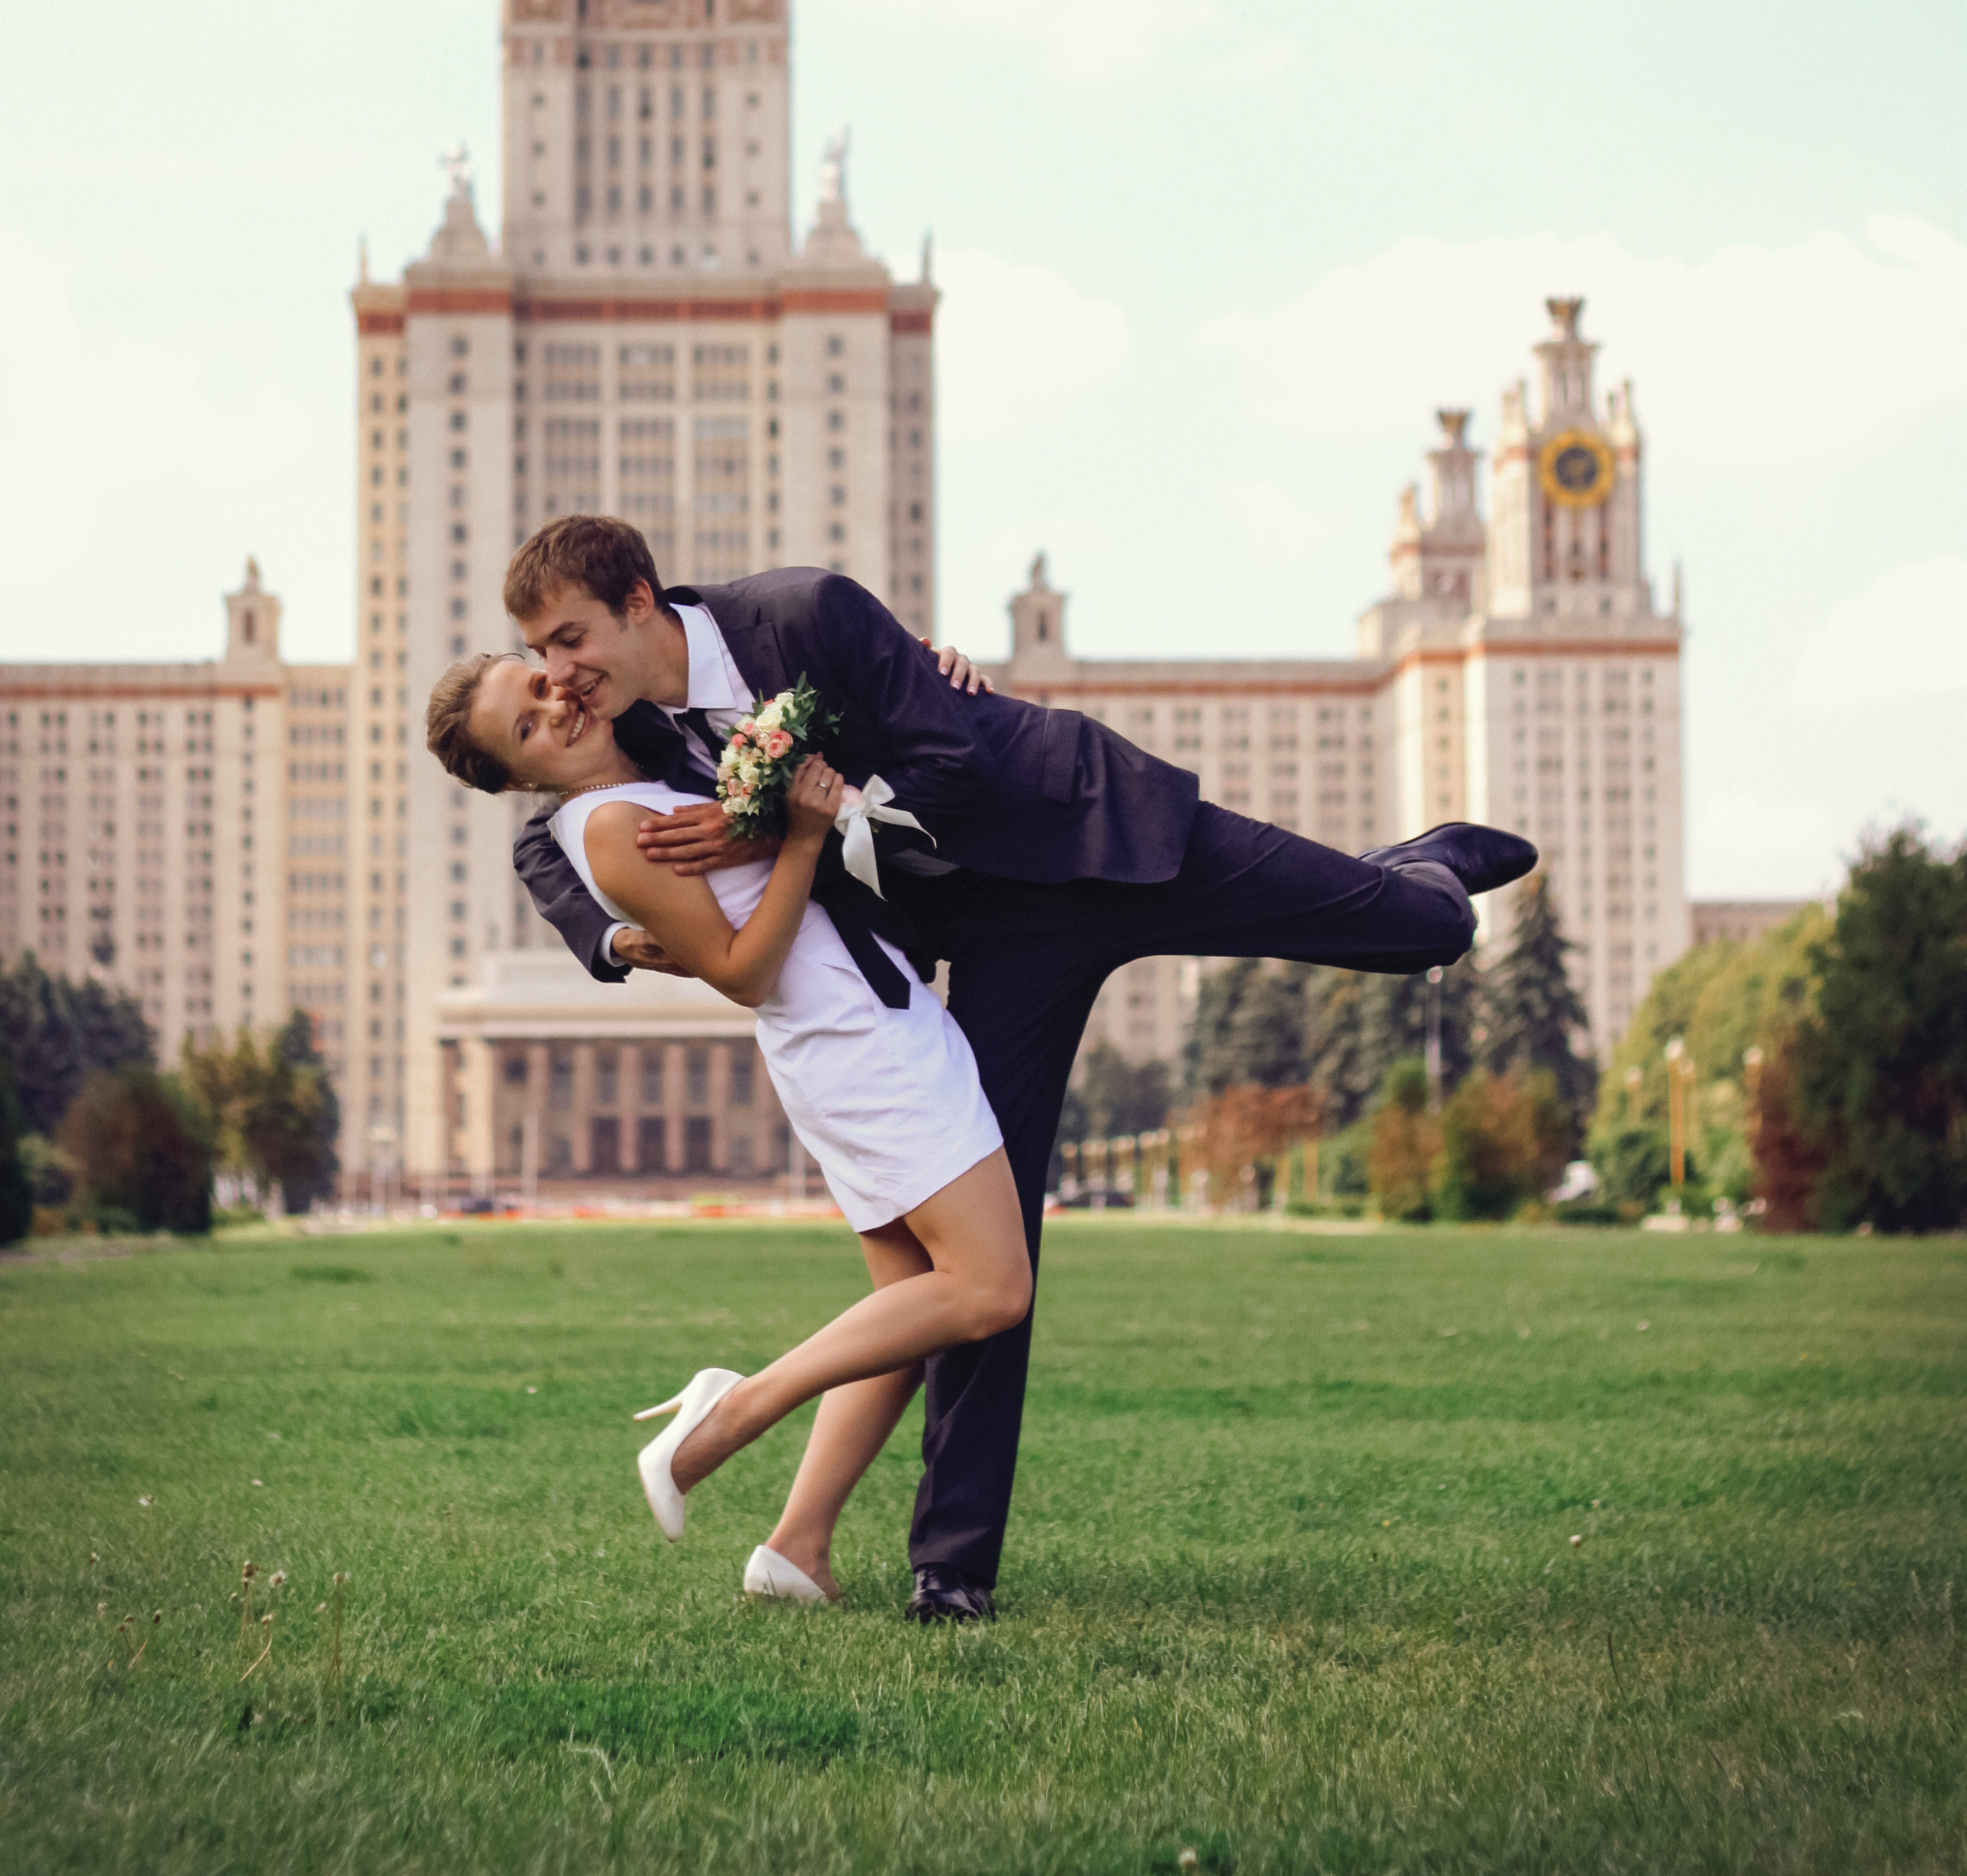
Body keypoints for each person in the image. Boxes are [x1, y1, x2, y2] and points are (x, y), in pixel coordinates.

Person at [504, 515, 1537, 1621]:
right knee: (990, 1263)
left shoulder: (803, 612)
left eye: (570, 641)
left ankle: (1415, 872)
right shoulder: (647, 734)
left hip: (1093, 837)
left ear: (642, 602)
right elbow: (542, 833)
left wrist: (794, 821)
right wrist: (621, 939)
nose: (560, 678)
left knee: (1416, 933)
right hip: (994, 951)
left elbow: (954, 765)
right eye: (543, 656)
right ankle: (951, 1570)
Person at [424, 649, 1031, 1605]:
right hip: (856, 1044)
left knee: (906, 1313)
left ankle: (796, 1547)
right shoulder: (612, 828)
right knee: (991, 1287)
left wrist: (919, 669)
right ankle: (733, 1409)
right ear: (519, 777)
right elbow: (740, 971)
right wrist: (796, 836)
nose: (558, 703)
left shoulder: (650, 770)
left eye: (539, 681)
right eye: (529, 725)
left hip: (856, 1027)